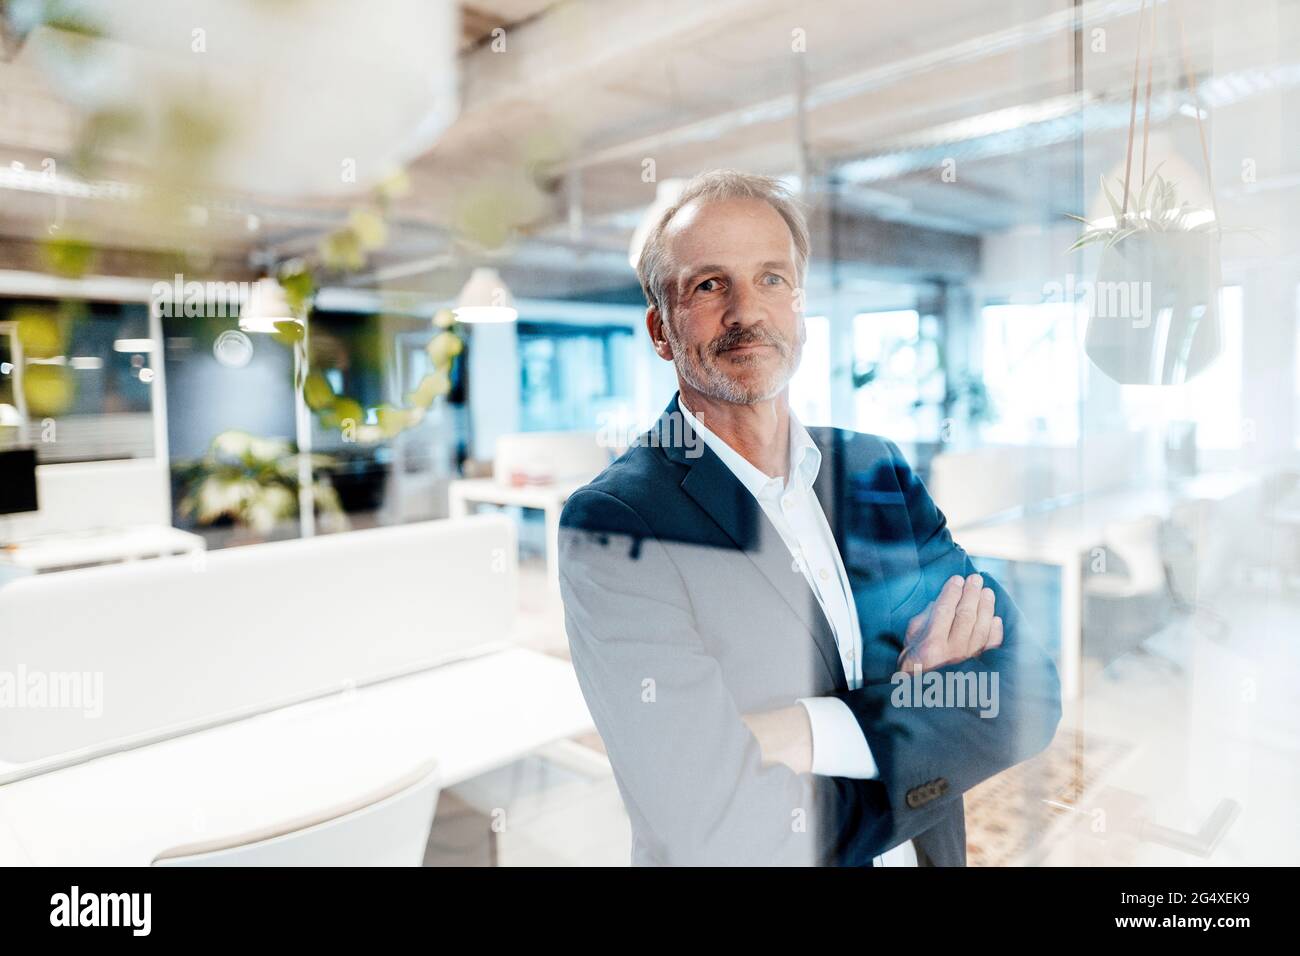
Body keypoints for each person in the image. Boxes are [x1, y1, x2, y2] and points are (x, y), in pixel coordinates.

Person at [558, 169, 1061, 866]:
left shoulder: (874, 468)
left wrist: (804, 731)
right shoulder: (617, 523)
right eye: (708, 285)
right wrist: (922, 724)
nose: (745, 311)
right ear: (661, 330)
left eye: (771, 279)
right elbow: (712, 823)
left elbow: (1028, 692)